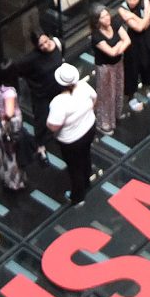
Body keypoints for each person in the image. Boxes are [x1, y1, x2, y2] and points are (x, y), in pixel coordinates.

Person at [46, 63, 96, 201]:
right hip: (89, 129)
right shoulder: (84, 86)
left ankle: (77, 196)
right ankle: (87, 180)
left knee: (75, 168)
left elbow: (53, 126)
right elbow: (95, 99)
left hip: (71, 141)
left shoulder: (59, 102)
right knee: (86, 156)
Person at [89, 6, 132, 131]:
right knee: (106, 94)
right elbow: (111, 52)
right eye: (103, 17)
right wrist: (120, 43)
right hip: (105, 68)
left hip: (118, 64)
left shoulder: (115, 23)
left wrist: (118, 46)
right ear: (97, 20)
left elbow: (127, 40)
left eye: (107, 15)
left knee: (118, 90)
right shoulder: (96, 36)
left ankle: (116, 115)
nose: (107, 18)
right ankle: (105, 123)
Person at [117, 0, 150, 111]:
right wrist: (147, 15)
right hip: (132, 42)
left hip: (146, 39)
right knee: (132, 68)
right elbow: (139, 27)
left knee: (148, 63)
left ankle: (147, 88)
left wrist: (137, 18)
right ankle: (131, 96)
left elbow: (144, 25)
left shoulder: (145, 1)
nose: (132, 2)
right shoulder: (122, 9)